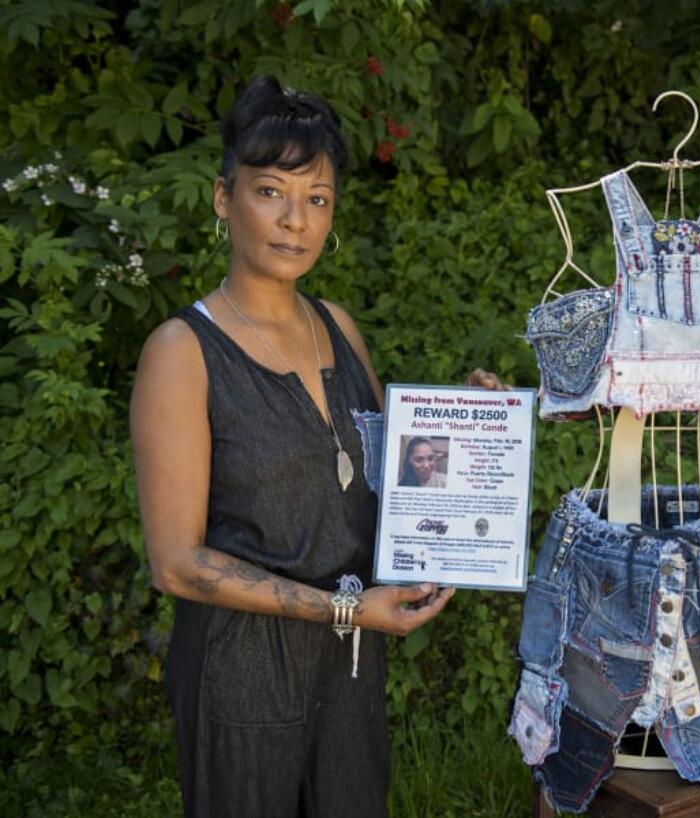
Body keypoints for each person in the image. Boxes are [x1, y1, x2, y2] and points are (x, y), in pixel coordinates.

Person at [130, 76, 457, 817]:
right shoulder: (183, 351)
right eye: (271, 191)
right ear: (224, 199)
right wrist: (346, 611)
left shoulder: (338, 326)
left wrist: (468, 420)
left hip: (348, 663)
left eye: (317, 199)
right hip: (242, 670)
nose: (295, 221)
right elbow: (176, 563)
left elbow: (389, 481)